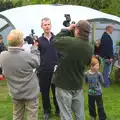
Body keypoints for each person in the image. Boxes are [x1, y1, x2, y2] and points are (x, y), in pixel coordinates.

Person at [53, 20, 93, 120]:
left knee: (66, 115)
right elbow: (87, 63)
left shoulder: (69, 42)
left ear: (77, 29)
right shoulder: (90, 47)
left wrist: (67, 29)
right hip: (78, 84)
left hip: (63, 84)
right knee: (80, 115)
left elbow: (55, 40)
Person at [0, 29, 40, 120]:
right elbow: (37, 63)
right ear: (21, 42)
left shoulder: (2, 55)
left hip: (15, 91)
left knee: (17, 116)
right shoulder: (26, 55)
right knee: (32, 116)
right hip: (30, 92)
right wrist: (34, 47)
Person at [37, 17, 59, 119]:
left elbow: (60, 53)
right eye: (45, 25)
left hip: (56, 71)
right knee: (45, 92)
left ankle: (58, 109)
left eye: (48, 24)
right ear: (42, 27)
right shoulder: (39, 41)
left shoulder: (57, 39)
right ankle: (47, 111)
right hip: (44, 71)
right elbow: (36, 55)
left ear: (51, 25)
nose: (47, 26)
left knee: (57, 92)